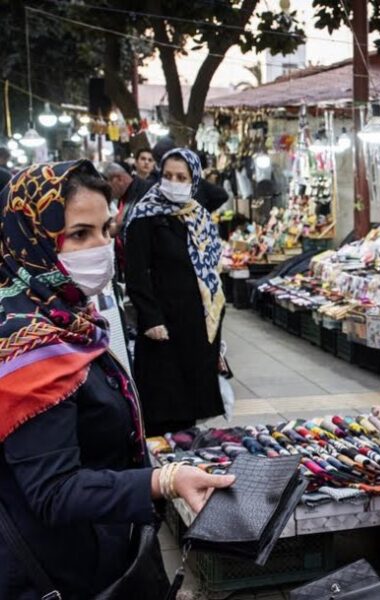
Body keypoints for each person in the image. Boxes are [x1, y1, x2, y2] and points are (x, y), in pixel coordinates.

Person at [0, 161, 235, 598]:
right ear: (30, 238)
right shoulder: (28, 345)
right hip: (62, 570)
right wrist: (161, 481)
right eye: (79, 234)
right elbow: (54, 490)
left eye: (106, 230)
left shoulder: (67, 318)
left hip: (99, 549)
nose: (101, 246)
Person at [125, 148, 226, 436]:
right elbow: (136, 274)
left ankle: (185, 459)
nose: (173, 181)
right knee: (164, 399)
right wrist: (151, 318)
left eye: (181, 177)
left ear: (194, 180)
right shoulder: (145, 215)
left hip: (196, 322)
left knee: (190, 403)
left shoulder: (199, 216)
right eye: (167, 175)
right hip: (163, 325)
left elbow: (210, 273)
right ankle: (161, 465)